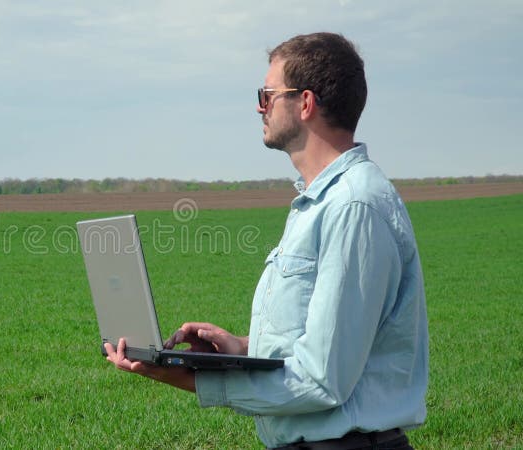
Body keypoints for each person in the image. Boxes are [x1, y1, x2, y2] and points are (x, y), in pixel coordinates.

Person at [104, 32, 428, 450]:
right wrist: (240, 348)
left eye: (267, 94)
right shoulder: (319, 203)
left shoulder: (352, 207)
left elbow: (322, 381)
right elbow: (321, 342)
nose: (260, 107)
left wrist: (195, 380)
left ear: (306, 103)